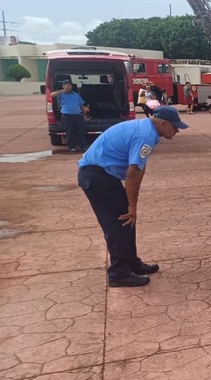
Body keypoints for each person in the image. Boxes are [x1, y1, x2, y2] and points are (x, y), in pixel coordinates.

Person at [77, 106, 189, 287]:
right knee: (118, 224)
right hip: (97, 178)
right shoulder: (145, 135)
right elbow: (133, 173)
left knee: (126, 222)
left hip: (102, 176)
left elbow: (139, 167)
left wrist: (132, 204)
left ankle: (131, 263)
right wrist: (132, 206)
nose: (176, 131)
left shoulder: (146, 130)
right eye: (175, 127)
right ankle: (118, 273)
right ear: (163, 123)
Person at [51, 80, 89, 152]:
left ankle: (83, 147)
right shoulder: (61, 95)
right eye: (66, 85)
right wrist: (63, 90)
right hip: (67, 116)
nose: (68, 86)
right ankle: (72, 147)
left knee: (80, 132)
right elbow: (52, 95)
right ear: (63, 86)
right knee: (69, 132)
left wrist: (85, 115)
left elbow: (82, 106)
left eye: (70, 85)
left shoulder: (76, 95)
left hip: (77, 115)